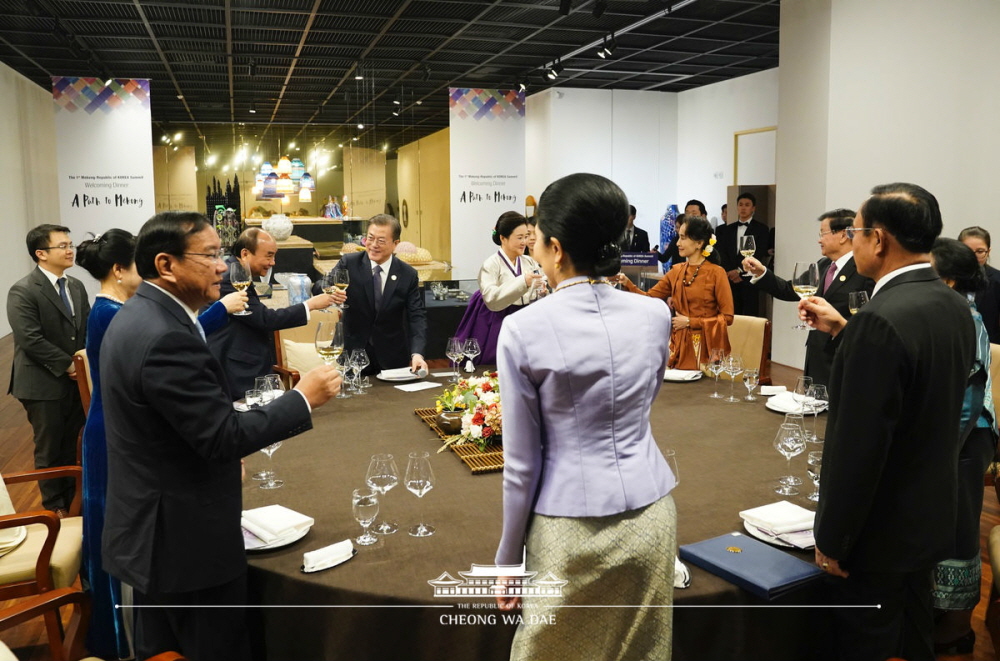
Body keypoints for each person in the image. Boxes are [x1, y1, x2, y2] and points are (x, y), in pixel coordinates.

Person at [100, 211, 342, 660]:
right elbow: (223, 437)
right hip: (185, 547)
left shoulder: (141, 314)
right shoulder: (165, 336)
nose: (220, 266)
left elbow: (176, 428)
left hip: (152, 531)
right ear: (166, 264)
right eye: (210, 255)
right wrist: (303, 398)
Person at [494, 172, 677, 661]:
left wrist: (508, 558)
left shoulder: (522, 329)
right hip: (651, 515)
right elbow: (646, 400)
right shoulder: (654, 315)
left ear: (555, 247)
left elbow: (521, 465)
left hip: (568, 528)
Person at [799, 183, 975, 661]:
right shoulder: (951, 302)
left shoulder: (881, 317)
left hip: (880, 527)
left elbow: (859, 445)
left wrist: (832, 537)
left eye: (855, 231)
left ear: (878, 239)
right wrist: (843, 332)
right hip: (929, 511)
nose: (851, 241)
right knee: (915, 629)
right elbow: (916, 390)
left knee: (864, 638)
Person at [75, 229, 246, 659]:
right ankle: (116, 637)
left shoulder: (122, 312)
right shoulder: (120, 316)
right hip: (120, 434)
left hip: (119, 424)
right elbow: (172, 345)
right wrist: (220, 309)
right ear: (120, 270)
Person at [929, 237, 998, 654]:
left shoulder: (966, 319)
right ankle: (935, 612)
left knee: (958, 531)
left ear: (949, 280)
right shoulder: (944, 312)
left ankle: (957, 627)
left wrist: (941, 454)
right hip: (948, 438)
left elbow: (968, 402)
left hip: (968, 440)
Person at [6, 224, 89, 515]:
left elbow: (85, 329)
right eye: (62, 246)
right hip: (42, 383)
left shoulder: (75, 286)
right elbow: (30, 338)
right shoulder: (23, 290)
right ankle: (55, 510)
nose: (70, 250)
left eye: (70, 244)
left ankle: (73, 503)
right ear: (41, 254)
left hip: (75, 381)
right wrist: (70, 365)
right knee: (50, 448)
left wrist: (85, 362)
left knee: (72, 444)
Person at [743, 208, 874, 385]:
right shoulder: (824, 264)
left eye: (823, 233)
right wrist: (762, 272)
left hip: (843, 358)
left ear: (843, 235)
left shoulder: (864, 269)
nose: (819, 240)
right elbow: (791, 289)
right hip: (816, 354)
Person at [208, 228, 335, 399]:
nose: (273, 262)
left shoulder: (237, 272)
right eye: (268, 256)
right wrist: (310, 305)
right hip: (237, 371)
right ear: (245, 253)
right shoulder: (230, 278)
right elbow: (264, 319)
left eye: (274, 256)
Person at [619, 216, 733, 369]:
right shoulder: (676, 271)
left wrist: (690, 322)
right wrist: (627, 282)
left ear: (699, 243)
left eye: (683, 238)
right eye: (678, 237)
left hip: (706, 347)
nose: (678, 243)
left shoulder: (716, 273)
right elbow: (649, 298)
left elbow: (727, 317)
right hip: (678, 344)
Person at [327, 214, 427, 375]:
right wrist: (331, 292)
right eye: (370, 238)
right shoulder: (349, 263)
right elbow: (323, 286)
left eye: (381, 241)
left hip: (392, 358)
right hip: (352, 354)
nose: (373, 245)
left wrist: (417, 354)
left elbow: (417, 317)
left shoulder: (408, 274)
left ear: (396, 244)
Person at [453, 211, 543, 365]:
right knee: (495, 363)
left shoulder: (529, 262)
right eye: (519, 237)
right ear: (503, 238)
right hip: (496, 318)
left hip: (524, 317)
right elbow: (491, 298)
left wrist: (541, 290)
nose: (525, 241)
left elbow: (537, 290)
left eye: (526, 236)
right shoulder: (491, 264)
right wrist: (523, 281)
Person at [715, 192, 769, 316]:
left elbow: (759, 253)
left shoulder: (761, 229)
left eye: (747, 205)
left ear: (753, 208)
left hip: (749, 279)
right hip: (729, 279)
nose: (743, 208)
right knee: (730, 314)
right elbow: (721, 252)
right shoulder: (727, 229)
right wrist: (730, 271)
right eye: (740, 205)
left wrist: (739, 271)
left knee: (750, 314)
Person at [959, 226, 1000, 342]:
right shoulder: (948, 279)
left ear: (988, 251)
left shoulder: (997, 281)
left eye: (980, 251)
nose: (973, 256)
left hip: (990, 348)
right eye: (967, 250)